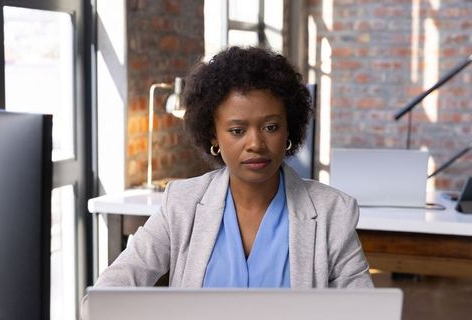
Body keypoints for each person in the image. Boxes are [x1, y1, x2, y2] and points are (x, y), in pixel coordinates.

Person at [82, 45, 372, 317]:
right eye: (237, 130)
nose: (255, 143)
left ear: (288, 132)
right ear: (214, 137)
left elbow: (365, 312)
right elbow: (103, 298)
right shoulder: (182, 203)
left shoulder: (332, 211)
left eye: (271, 127)